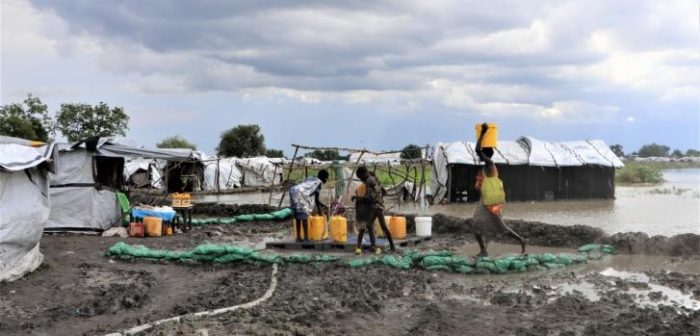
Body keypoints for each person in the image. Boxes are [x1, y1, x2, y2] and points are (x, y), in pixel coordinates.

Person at [472, 123, 527, 257]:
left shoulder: (490, 164)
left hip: (492, 202)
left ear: (485, 155)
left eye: (482, 155)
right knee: (476, 224)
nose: (479, 156)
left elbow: (477, 150)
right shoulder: (486, 166)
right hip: (486, 200)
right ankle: (484, 250)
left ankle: (521, 240)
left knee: (500, 225)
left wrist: (484, 132)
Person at [353, 166, 396, 254]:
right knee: (369, 224)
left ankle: (392, 246)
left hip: (377, 207)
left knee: (383, 226)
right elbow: (384, 192)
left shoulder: (368, 181)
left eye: (361, 178)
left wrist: (357, 198)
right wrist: (378, 197)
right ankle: (374, 247)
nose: (361, 180)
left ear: (364, 174)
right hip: (377, 205)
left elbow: (368, 197)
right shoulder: (375, 179)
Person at [289, 170, 329, 242]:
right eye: (326, 178)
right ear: (323, 177)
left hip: (293, 190)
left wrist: (323, 205)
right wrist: (320, 212)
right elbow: (316, 200)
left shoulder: (312, 179)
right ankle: (306, 238)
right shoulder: (318, 183)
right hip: (301, 194)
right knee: (304, 216)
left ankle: (298, 237)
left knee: (298, 216)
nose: (326, 180)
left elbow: (314, 198)